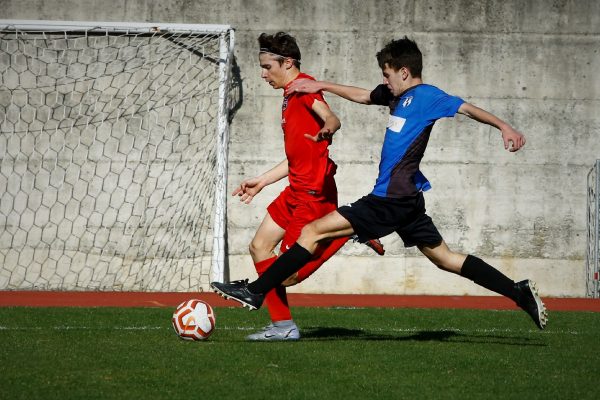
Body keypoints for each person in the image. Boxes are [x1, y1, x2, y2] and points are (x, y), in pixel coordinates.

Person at [213, 36, 548, 330]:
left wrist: (504, 127)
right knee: (445, 258)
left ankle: (256, 291)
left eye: (387, 74)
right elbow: (362, 96)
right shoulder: (395, 96)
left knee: (313, 232)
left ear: (404, 71)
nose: (384, 81)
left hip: (389, 200)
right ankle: (517, 292)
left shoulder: (429, 96)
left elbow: (468, 109)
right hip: (408, 202)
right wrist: (323, 86)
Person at [235, 32, 384, 341]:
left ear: (287, 62)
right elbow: (296, 157)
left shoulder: (304, 88)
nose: (263, 74)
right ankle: (283, 327)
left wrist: (328, 129)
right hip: (295, 189)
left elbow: (331, 117)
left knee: (286, 275)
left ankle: (348, 230)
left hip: (312, 195)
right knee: (259, 247)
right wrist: (262, 181)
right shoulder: (289, 95)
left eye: (267, 67)